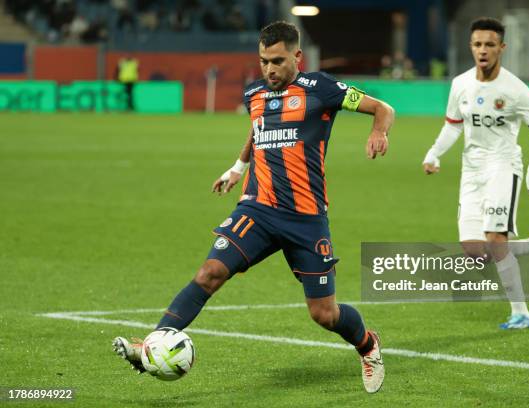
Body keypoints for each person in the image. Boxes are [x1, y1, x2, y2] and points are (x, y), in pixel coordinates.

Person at [113, 21, 394, 393]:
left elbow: (382, 107)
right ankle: (149, 345)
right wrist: (237, 167)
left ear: (296, 56)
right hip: (258, 210)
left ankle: (367, 345)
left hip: (306, 219)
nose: (269, 69)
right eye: (263, 61)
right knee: (209, 273)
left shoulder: (322, 89)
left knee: (324, 314)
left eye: (277, 61)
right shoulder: (255, 94)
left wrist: (379, 130)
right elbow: (258, 128)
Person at [422, 17, 529, 329]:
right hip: (472, 170)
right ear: (471, 47)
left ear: (502, 48)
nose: (483, 50)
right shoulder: (460, 84)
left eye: (489, 45)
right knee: (474, 251)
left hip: (503, 166)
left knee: (495, 239)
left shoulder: (515, 89)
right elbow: (452, 126)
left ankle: (521, 313)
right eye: (477, 44)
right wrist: (434, 153)